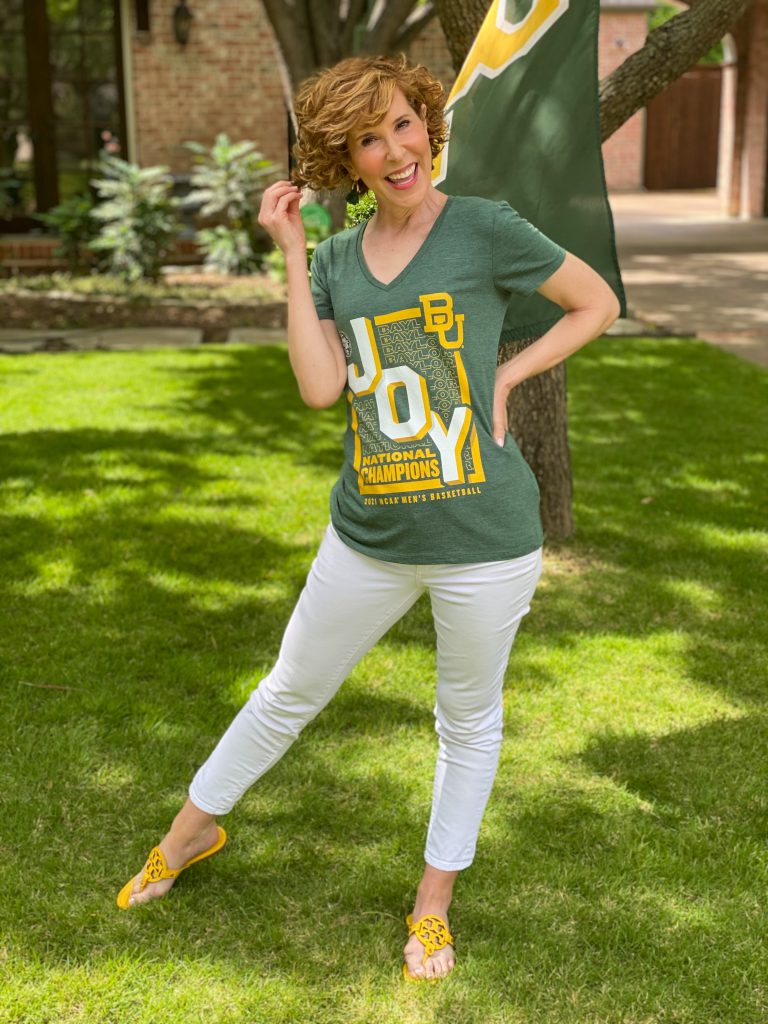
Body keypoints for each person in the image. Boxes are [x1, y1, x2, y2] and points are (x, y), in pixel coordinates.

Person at [117, 54, 620, 981]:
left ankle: (433, 905)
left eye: (402, 124)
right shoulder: (339, 261)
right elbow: (318, 388)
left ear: (427, 119)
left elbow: (598, 302)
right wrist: (291, 254)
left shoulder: (485, 229)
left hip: (485, 542)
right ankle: (190, 833)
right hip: (369, 538)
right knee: (288, 690)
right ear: (341, 162)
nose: (396, 151)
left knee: (466, 721)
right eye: (367, 140)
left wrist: (508, 372)